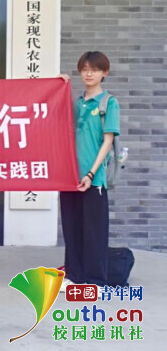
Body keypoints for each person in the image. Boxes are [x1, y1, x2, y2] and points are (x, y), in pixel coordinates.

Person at [59, 51, 119, 290]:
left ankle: (96, 282)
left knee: (94, 232)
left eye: (94, 69)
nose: (89, 74)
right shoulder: (78, 103)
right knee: (72, 228)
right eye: (84, 69)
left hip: (93, 179)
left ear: (105, 72)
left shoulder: (109, 103)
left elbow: (107, 141)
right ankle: (74, 275)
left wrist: (91, 173)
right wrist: (59, 86)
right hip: (70, 177)